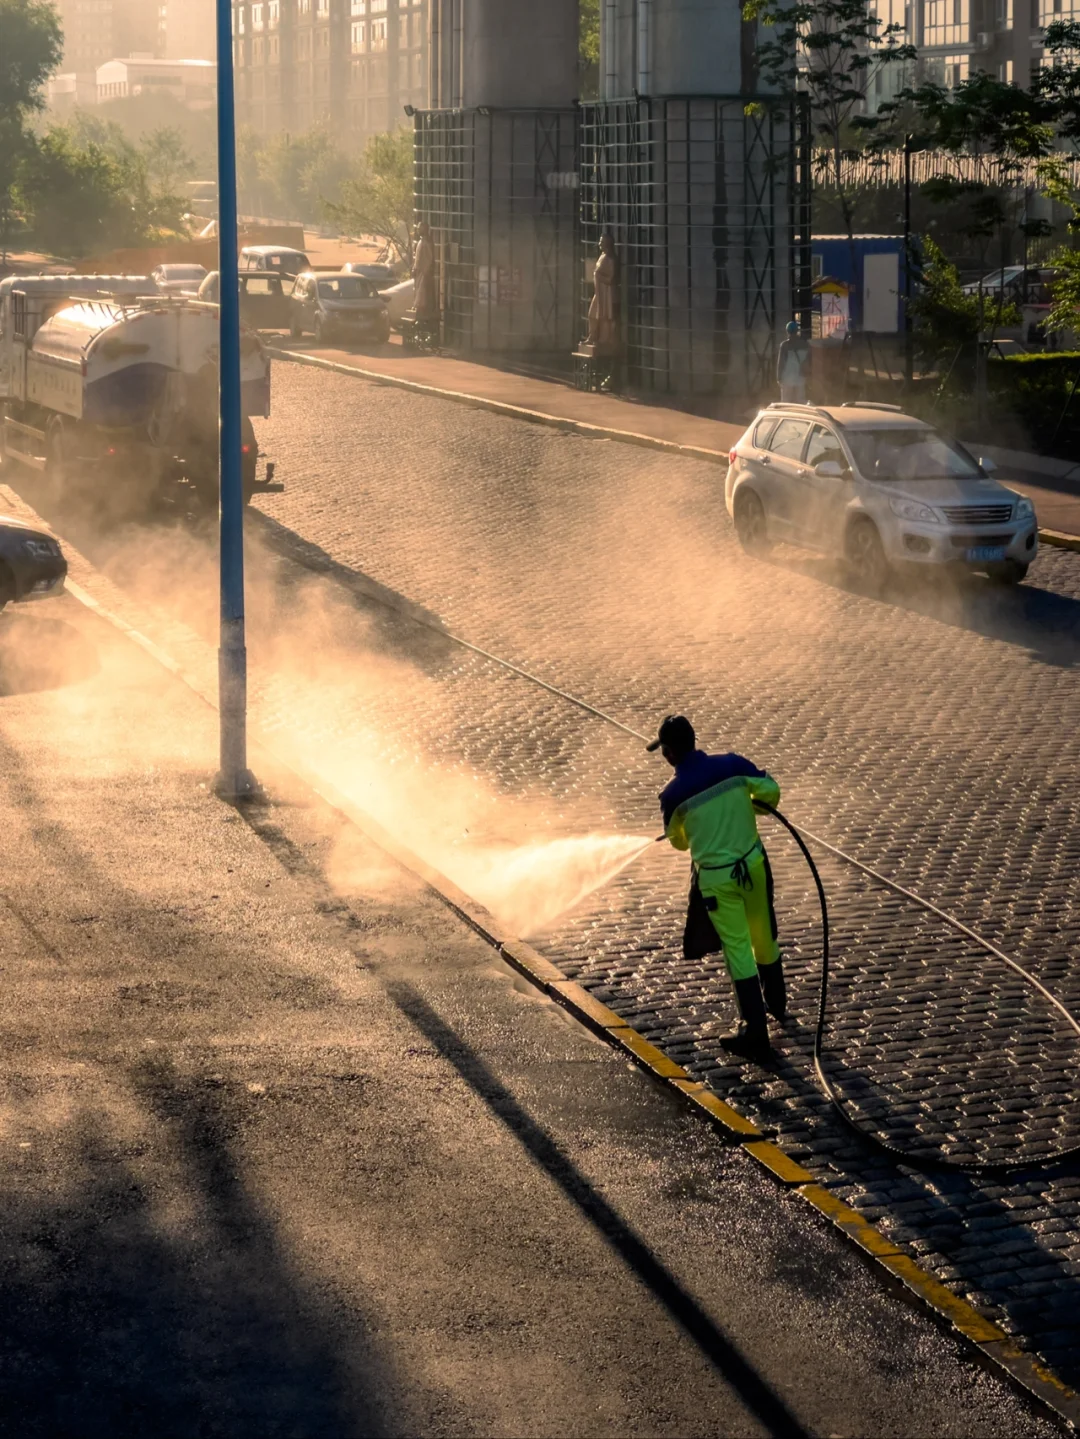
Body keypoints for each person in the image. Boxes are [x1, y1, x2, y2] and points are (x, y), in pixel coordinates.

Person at [649, 714, 787, 1061]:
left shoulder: (672, 795)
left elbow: (679, 842)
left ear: (668, 753)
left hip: (717, 882)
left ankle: (755, 1033)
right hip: (754, 867)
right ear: (694, 740)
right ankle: (777, 1002)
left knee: (737, 947)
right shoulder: (733, 764)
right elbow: (771, 794)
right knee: (763, 932)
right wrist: (744, 803)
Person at [776, 319, 810, 404]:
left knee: (786, 404)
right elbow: (808, 362)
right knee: (800, 403)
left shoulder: (784, 345)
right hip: (800, 379)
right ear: (797, 331)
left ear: (787, 331)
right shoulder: (805, 345)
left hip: (787, 379)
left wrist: (779, 378)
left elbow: (781, 363)